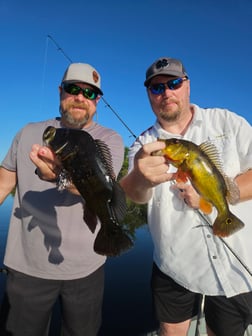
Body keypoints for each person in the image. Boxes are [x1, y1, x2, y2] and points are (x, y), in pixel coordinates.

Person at [120, 57, 252, 336]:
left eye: (174, 83)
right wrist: (141, 178)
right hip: (174, 265)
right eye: (156, 88)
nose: (166, 92)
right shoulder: (144, 144)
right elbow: (134, 194)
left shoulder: (229, 122)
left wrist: (223, 198)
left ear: (187, 85)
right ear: (148, 95)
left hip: (235, 266)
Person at [0, 62, 124, 336]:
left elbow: (104, 188)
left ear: (97, 100)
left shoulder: (109, 139)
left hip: (87, 270)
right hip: (26, 269)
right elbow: (3, 182)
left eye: (89, 93)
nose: (80, 97)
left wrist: (61, 177)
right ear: (61, 92)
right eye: (73, 89)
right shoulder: (27, 132)